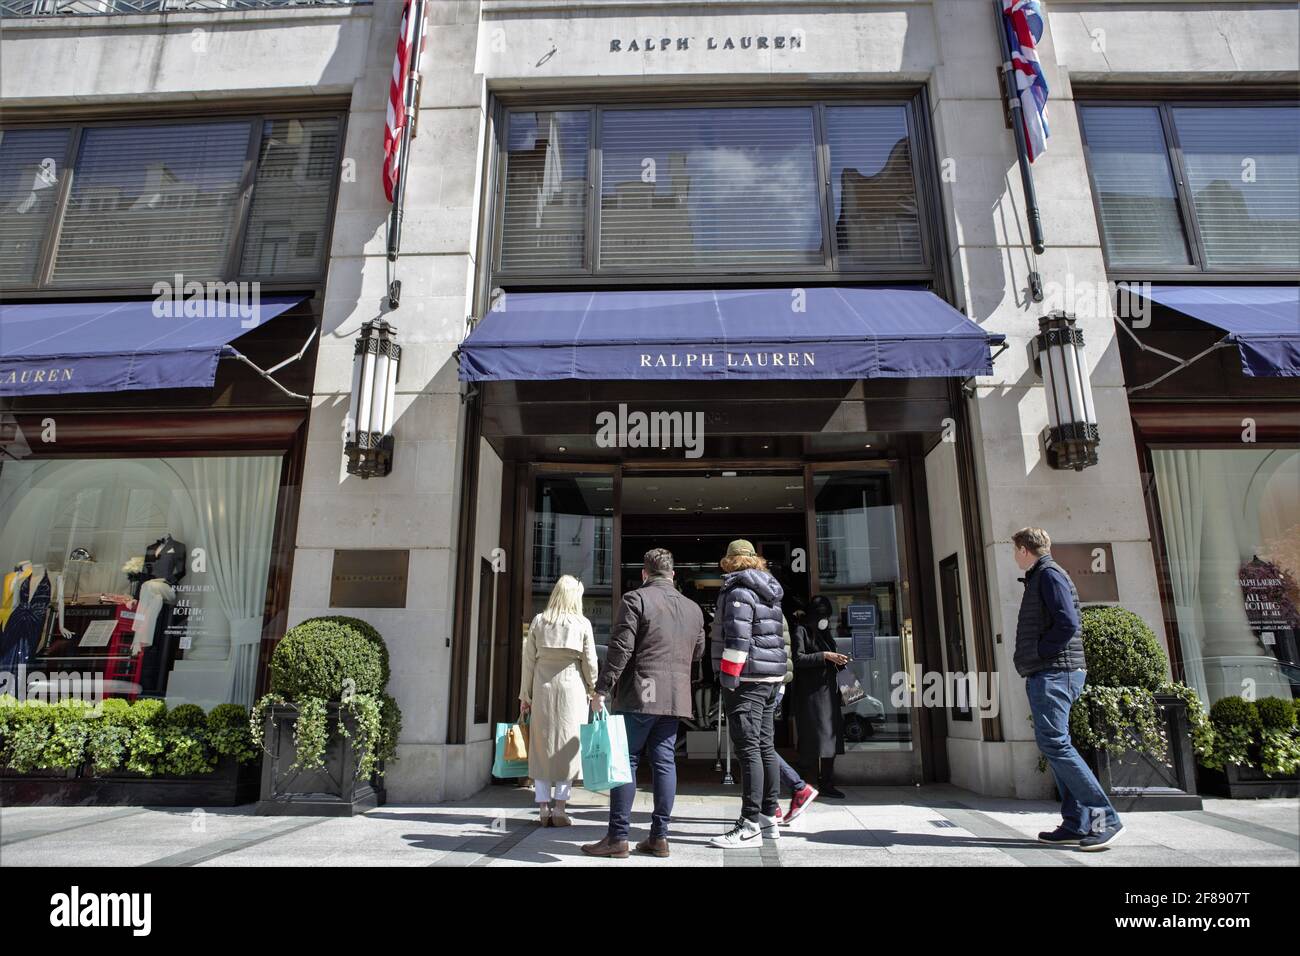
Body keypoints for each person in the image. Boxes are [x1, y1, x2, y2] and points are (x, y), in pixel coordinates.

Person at [582, 548, 705, 859]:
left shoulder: (635, 599)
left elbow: (620, 648)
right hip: (676, 695)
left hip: (640, 693)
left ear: (644, 573)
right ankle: (659, 837)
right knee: (665, 762)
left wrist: (602, 689)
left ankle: (618, 837)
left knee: (627, 761)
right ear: (673, 574)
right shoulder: (693, 609)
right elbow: (698, 653)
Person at [1012, 527, 1125, 851]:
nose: (1014, 556)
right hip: (1052, 672)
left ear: (1023, 549)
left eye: (1014, 550)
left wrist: (1043, 652)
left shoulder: (1049, 575)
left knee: (1056, 745)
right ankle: (1075, 823)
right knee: (1055, 746)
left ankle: (1106, 819)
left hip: (1055, 673)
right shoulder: (1042, 575)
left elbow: (1068, 622)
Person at [708, 539, 788, 848]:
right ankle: (768, 817)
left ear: (729, 561)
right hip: (769, 679)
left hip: (748, 680)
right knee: (765, 747)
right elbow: (778, 636)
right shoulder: (769, 588)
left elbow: (738, 639)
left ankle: (750, 822)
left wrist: (728, 678)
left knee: (748, 749)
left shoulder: (738, 591)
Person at [519, 574, 599, 827]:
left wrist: (525, 695)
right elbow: (590, 662)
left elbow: (528, 661)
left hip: (542, 687)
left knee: (541, 748)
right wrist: (594, 689)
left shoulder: (539, 621)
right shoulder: (582, 623)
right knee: (568, 749)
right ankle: (561, 808)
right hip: (572, 689)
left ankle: (543, 808)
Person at [788, 593, 848, 809]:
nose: (826, 620)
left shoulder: (824, 632)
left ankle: (827, 782)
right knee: (813, 739)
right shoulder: (801, 630)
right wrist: (824, 656)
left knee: (831, 739)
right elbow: (797, 659)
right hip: (810, 695)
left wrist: (837, 660)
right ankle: (806, 783)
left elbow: (828, 654)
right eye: (823, 616)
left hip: (828, 692)